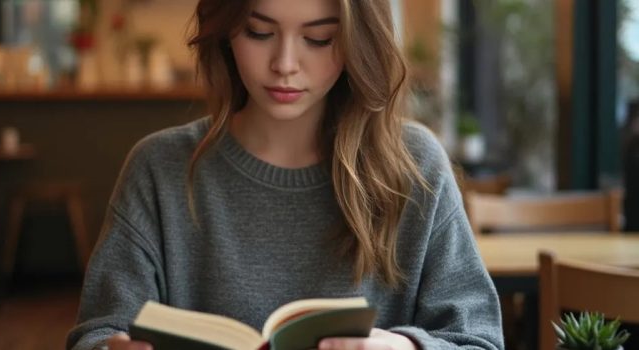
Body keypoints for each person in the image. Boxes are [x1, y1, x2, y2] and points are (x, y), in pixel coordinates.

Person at [67, 0, 503, 349]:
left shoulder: (414, 166)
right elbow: (97, 333)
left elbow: (478, 341)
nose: (285, 63)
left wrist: (404, 348)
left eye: (319, 38)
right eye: (259, 32)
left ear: (357, 41)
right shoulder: (158, 169)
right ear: (225, 29)